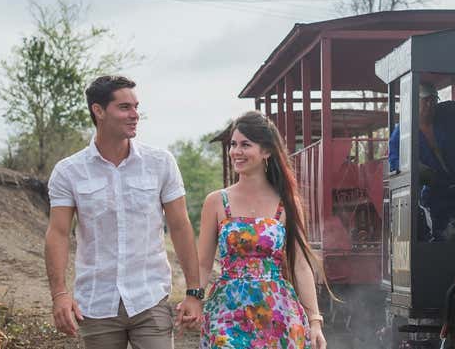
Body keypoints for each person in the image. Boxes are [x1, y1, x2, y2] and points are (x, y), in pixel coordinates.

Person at [44, 75, 203, 348]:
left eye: (136, 106)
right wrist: (59, 294)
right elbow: (58, 233)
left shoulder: (160, 163)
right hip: (96, 303)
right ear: (99, 111)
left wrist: (194, 292)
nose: (135, 115)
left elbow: (180, 226)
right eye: (125, 107)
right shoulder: (69, 171)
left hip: (149, 297)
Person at [196, 111, 326, 349]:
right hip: (227, 311)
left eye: (245, 145)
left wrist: (314, 320)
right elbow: (203, 264)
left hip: (278, 313)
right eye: (233, 144)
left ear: (266, 151)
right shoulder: (216, 202)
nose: (236, 151)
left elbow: (300, 265)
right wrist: (193, 298)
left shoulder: (286, 203)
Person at [388, 82, 455, 240]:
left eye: (433, 100)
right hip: (436, 194)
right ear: (413, 103)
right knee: (440, 236)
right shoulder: (402, 132)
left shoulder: (448, 112)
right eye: (425, 100)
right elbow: (395, 161)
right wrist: (419, 170)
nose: (430, 105)